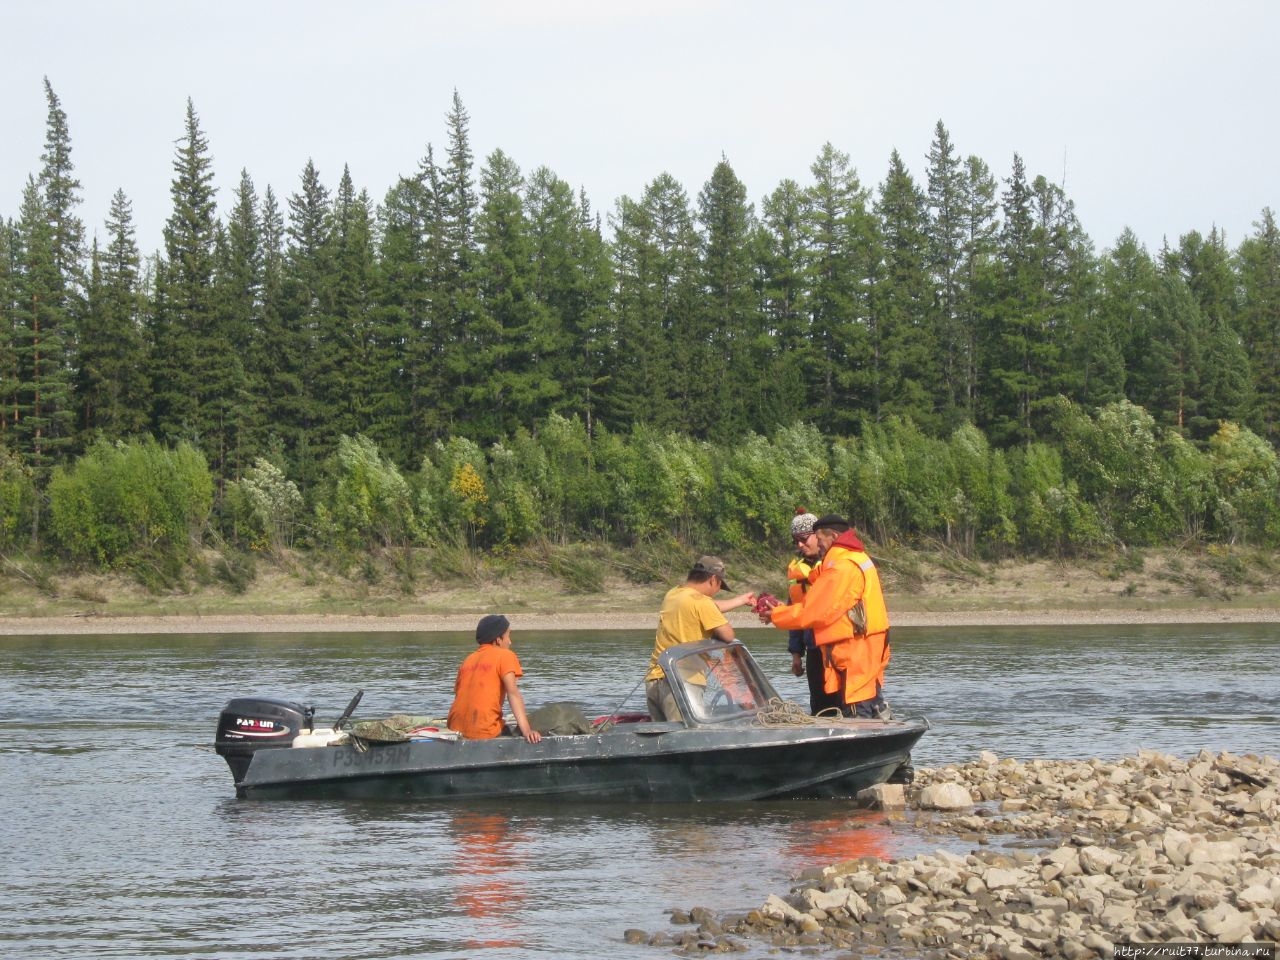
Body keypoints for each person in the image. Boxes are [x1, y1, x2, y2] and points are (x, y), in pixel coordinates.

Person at [763, 515, 891, 718]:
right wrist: (783, 611)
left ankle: (858, 745)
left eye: (819, 539)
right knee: (868, 704)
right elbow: (814, 602)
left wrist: (776, 615)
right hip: (862, 647)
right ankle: (879, 738)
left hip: (855, 650)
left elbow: (816, 611)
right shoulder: (853, 558)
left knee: (856, 710)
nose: (818, 545)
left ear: (833, 536)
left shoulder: (842, 566)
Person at [644, 556, 756, 721]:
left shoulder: (674, 594)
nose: (717, 591)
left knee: (663, 740)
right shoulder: (702, 603)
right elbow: (728, 635)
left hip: (655, 679)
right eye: (719, 586)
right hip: (683, 682)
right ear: (712, 580)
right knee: (684, 738)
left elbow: (710, 607)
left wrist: (740, 600)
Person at [447, 614, 542, 743]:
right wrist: (527, 731)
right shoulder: (505, 655)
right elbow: (513, 694)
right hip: (484, 731)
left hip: (454, 728)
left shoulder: (468, 660)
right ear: (498, 640)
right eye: (508, 635)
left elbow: (459, 694)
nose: (510, 641)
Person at [785, 509, 843, 714]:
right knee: (819, 705)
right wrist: (796, 654)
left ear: (817, 536)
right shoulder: (796, 570)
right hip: (813, 648)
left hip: (837, 646)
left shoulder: (834, 564)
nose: (800, 545)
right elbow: (794, 613)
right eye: (795, 541)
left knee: (841, 700)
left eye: (803, 539)